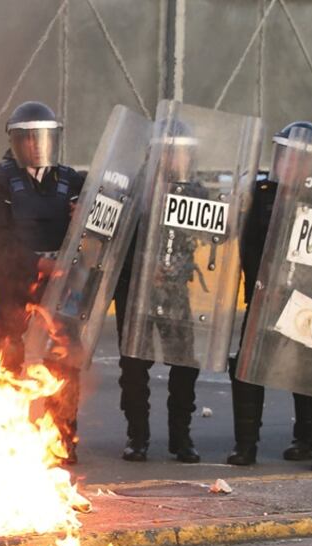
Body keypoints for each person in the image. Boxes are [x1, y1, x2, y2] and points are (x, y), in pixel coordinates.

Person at [226, 121, 312, 471]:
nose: (291, 163)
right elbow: (242, 239)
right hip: (265, 296)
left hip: (309, 298)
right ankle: (246, 447)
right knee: (247, 370)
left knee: (311, 371)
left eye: (300, 158)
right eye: (287, 155)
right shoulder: (260, 194)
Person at [0, 101, 84, 463]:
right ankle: (4, 429)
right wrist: (37, 264)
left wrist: (83, 214)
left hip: (61, 279)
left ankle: (62, 435)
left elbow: (106, 215)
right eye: (27, 138)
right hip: (15, 277)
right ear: (15, 141)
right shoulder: (2, 179)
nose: (35, 145)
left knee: (65, 352)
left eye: (43, 137)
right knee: (7, 347)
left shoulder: (71, 180)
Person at [114, 121, 203, 464]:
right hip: (135, 288)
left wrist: (174, 270)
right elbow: (118, 239)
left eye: (182, 151)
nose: (177, 157)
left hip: (174, 290)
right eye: (171, 150)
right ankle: (137, 436)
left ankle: (181, 436)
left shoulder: (194, 192)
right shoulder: (133, 189)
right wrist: (144, 268)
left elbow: (203, 241)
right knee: (134, 364)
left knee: (185, 361)